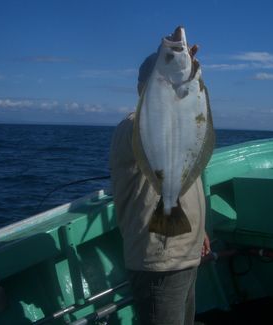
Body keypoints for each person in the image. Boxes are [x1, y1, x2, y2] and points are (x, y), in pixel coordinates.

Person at [109, 44, 210, 325]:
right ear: (144, 87)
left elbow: (188, 178)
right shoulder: (132, 127)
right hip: (159, 260)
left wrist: (190, 74)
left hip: (186, 251)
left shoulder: (181, 126)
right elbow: (160, 119)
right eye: (159, 81)